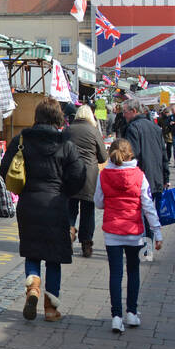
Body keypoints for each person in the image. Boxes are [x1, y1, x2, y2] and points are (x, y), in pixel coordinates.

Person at [1, 97, 88, 322]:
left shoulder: (21, 140)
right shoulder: (66, 144)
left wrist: (21, 189)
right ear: (58, 117)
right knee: (54, 257)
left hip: (28, 204)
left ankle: (33, 285)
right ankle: (51, 309)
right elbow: (79, 174)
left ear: (37, 116)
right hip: (56, 204)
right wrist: (66, 191)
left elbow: (4, 168)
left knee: (32, 251)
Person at [95, 139, 163, 332]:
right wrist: (157, 232)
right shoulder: (139, 175)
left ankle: (116, 316)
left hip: (112, 232)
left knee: (115, 274)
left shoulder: (104, 175)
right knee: (133, 271)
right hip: (134, 232)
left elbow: (98, 202)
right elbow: (148, 206)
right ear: (130, 154)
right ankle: (132, 313)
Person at [122, 96, 168, 261]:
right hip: (155, 176)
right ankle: (148, 248)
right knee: (150, 213)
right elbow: (164, 154)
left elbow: (132, 155)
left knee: (140, 214)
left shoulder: (133, 128)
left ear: (133, 111)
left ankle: (144, 249)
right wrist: (165, 176)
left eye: (125, 112)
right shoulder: (154, 127)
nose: (123, 115)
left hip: (141, 177)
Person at [62, 105, 107, 258]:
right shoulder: (94, 131)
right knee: (88, 210)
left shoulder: (67, 130)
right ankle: (86, 244)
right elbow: (103, 157)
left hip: (70, 173)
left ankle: (68, 234)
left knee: (70, 207)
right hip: (89, 175)